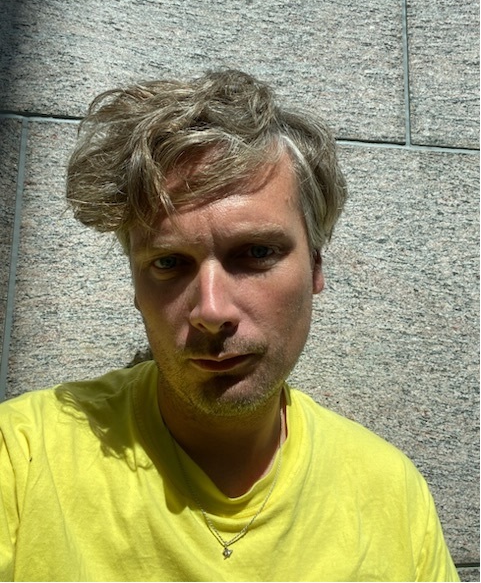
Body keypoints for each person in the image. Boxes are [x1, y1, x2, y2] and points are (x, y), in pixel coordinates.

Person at [0, 69, 459, 582]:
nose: (212, 310)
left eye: (256, 253)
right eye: (169, 262)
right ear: (135, 285)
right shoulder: (21, 458)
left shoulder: (391, 492)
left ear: (315, 267)